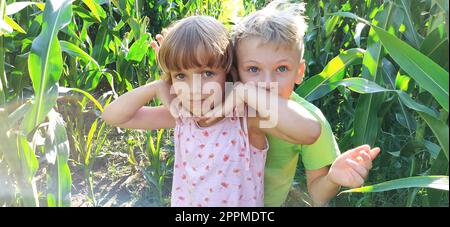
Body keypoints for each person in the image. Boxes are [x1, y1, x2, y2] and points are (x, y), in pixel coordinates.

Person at [101, 15, 321, 207]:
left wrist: (243, 92)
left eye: (207, 73)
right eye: (180, 75)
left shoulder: (245, 119)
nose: (194, 88)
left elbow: (310, 131)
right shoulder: (182, 115)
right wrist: (158, 85)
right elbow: (114, 116)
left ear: (227, 72)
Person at [231, 0, 381, 206]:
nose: (267, 83)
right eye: (253, 69)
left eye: (281, 68)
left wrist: (332, 178)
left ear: (299, 72)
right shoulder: (224, 100)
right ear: (235, 70)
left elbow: (318, 195)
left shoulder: (310, 120)